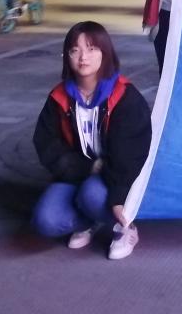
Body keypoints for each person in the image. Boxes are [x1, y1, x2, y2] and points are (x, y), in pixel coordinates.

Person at [32, 21, 152, 260]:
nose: (83, 57)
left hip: (115, 179)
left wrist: (118, 198)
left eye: (91, 48)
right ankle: (89, 222)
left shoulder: (125, 97)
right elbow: (46, 144)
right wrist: (87, 167)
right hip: (78, 173)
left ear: (105, 53)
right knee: (46, 220)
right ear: (66, 56)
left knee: (91, 195)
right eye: (75, 50)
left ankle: (125, 227)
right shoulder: (59, 97)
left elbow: (133, 155)